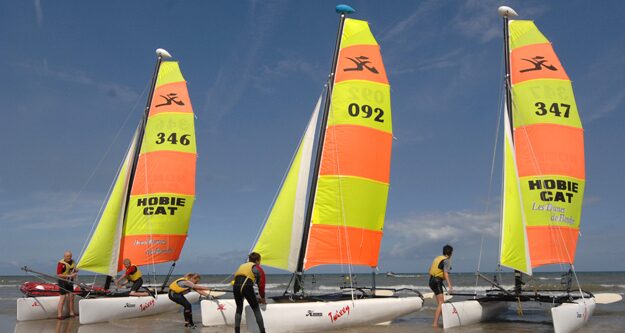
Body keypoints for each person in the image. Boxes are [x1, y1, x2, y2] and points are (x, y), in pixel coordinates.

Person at [233, 252, 266, 333]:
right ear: (258, 261)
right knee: (256, 309)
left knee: (239, 308)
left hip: (236, 286)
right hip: (246, 286)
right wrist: (262, 298)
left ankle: (237, 331)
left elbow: (238, 278)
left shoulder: (242, 265)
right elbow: (261, 285)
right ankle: (263, 331)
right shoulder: (257, 268)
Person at [429, 244, 453, 327]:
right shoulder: (446, 260)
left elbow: (430, 270)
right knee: (441, 303)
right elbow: (446, 273)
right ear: (451, 253)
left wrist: (433, 281)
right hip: (437, 281)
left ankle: (445, 320)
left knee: (440, 303)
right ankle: (435, 324)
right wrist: (450, 285)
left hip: (431, 281)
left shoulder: (437, 258)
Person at [57, 251, 78, 320]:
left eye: (70, 256)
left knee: (71, 297)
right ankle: (59, 315)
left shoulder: (72, 262)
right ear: (64, 256)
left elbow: (73, 271)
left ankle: (71, 313)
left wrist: (76, 271)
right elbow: (59, 275)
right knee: (62, 299)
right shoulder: (61, 264)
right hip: (62, 282)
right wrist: (70, 275)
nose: (69, 258)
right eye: (67, 256)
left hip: (70, 281)